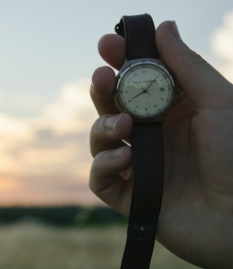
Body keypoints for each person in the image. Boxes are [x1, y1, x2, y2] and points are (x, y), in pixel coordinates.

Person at [89, 20, 233, 269]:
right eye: (138, 89)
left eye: (151, 87)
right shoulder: (154, 84)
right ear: (120, 96)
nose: (144, 90)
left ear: (173, 87)